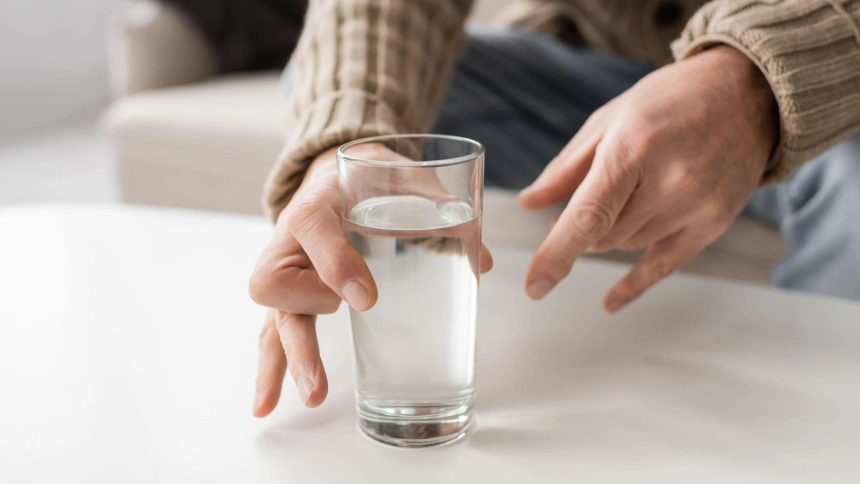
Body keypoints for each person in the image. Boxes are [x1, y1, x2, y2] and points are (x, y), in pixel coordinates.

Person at [248, 0, 860, 416]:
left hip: (821, 68)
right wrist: (339, 150)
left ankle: (820, 435)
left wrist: (750, 81)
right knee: (342, 114)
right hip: (581, 68)